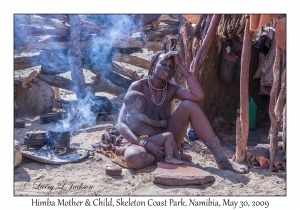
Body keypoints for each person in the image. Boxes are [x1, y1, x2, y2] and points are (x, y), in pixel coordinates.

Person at [116, 36, 249, 174]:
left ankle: (222, 159)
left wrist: (181, 65)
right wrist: (145, 144)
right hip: (141, 141)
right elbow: (120, 124)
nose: (168, 68)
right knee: (133, 158)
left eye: (172, 67)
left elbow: (198, 96)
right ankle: (164, 157)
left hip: (167, 139)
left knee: (190, 105)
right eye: (163, 64)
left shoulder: (171, 89)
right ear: (153, 64)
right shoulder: (138, 86)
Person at [124, 90, 183, 165]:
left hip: (143, 138)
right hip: (147, 139)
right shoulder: (140, 116)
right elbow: (152, 123)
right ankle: (169, 157)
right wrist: (161, 123)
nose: (144, 108)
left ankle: (178, 157)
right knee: (169, 135)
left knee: (171, 140)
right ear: (138, 104)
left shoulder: (127, 117)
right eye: (143, 105)